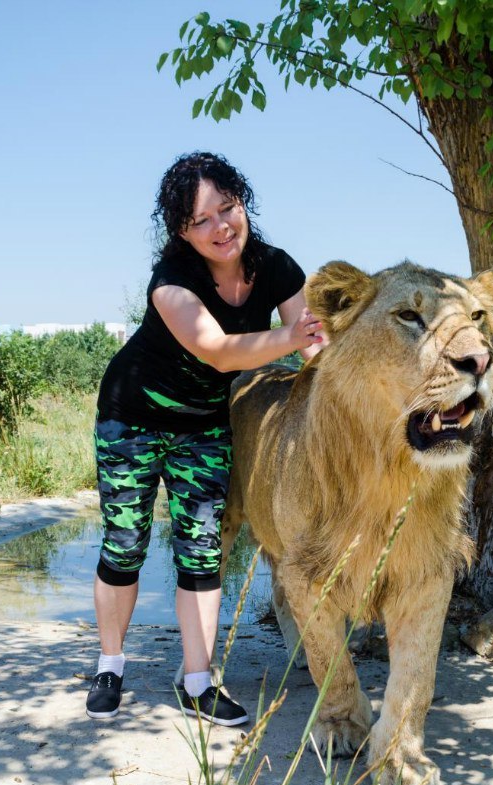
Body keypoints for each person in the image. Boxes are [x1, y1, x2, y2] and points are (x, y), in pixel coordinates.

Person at [87, 152, 323, 725]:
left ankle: (197, 682)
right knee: (125, 546)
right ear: (181, 231)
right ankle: (110, 665)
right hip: (131, 417)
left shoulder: (277, 267)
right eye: (203, 220)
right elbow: (217, 350)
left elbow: (316, 345)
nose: (222, 226)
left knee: (202, 552)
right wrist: (291, 337)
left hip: (203, 425)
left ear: (243, 204)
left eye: (229, 207)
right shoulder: (171, 281)